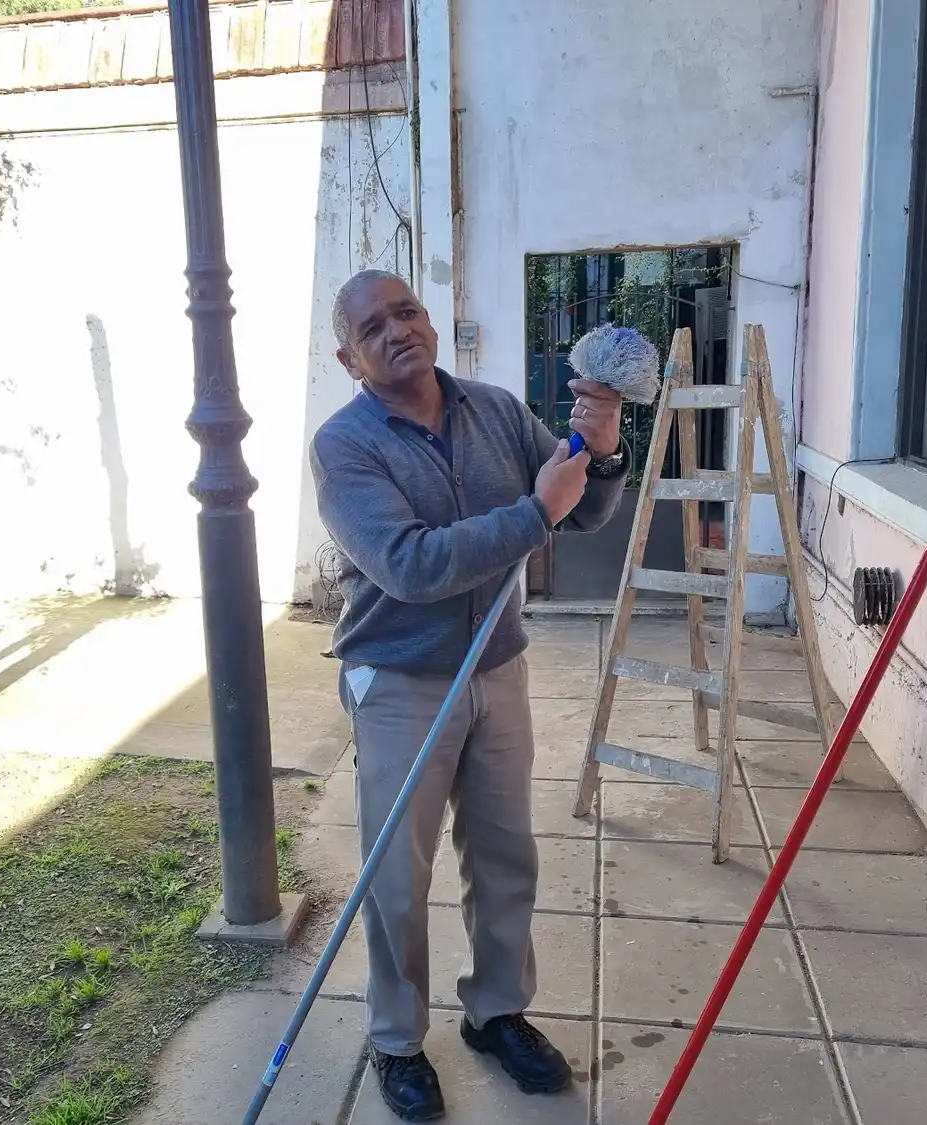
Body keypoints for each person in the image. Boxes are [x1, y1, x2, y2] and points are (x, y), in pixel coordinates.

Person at [309, 270, 629, 1120]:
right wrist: (535, 512)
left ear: (429, 321)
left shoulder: (495, 411)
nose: (397, 331)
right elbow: (410, 565)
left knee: (504, 854)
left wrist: (601, 452)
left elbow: (581, 509)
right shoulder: (344, 447)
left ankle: (496, 1012)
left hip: (497, 667)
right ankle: (396, 1039)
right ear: (349, 358)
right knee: (396, 876)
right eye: (372, 328)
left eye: (406, 311)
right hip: (400, 679)